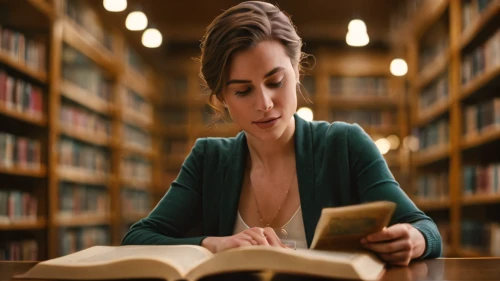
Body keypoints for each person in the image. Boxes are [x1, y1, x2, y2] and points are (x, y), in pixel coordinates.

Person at [122, 1, 442, 266]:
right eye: (243, 91)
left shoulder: (344, 144)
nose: (264, 103)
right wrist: (213, 244)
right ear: (221, 98)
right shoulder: (209, 159)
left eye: (275, 82)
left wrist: (414, 240)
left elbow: (425, 228)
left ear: (297, 71)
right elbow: (136, 238)